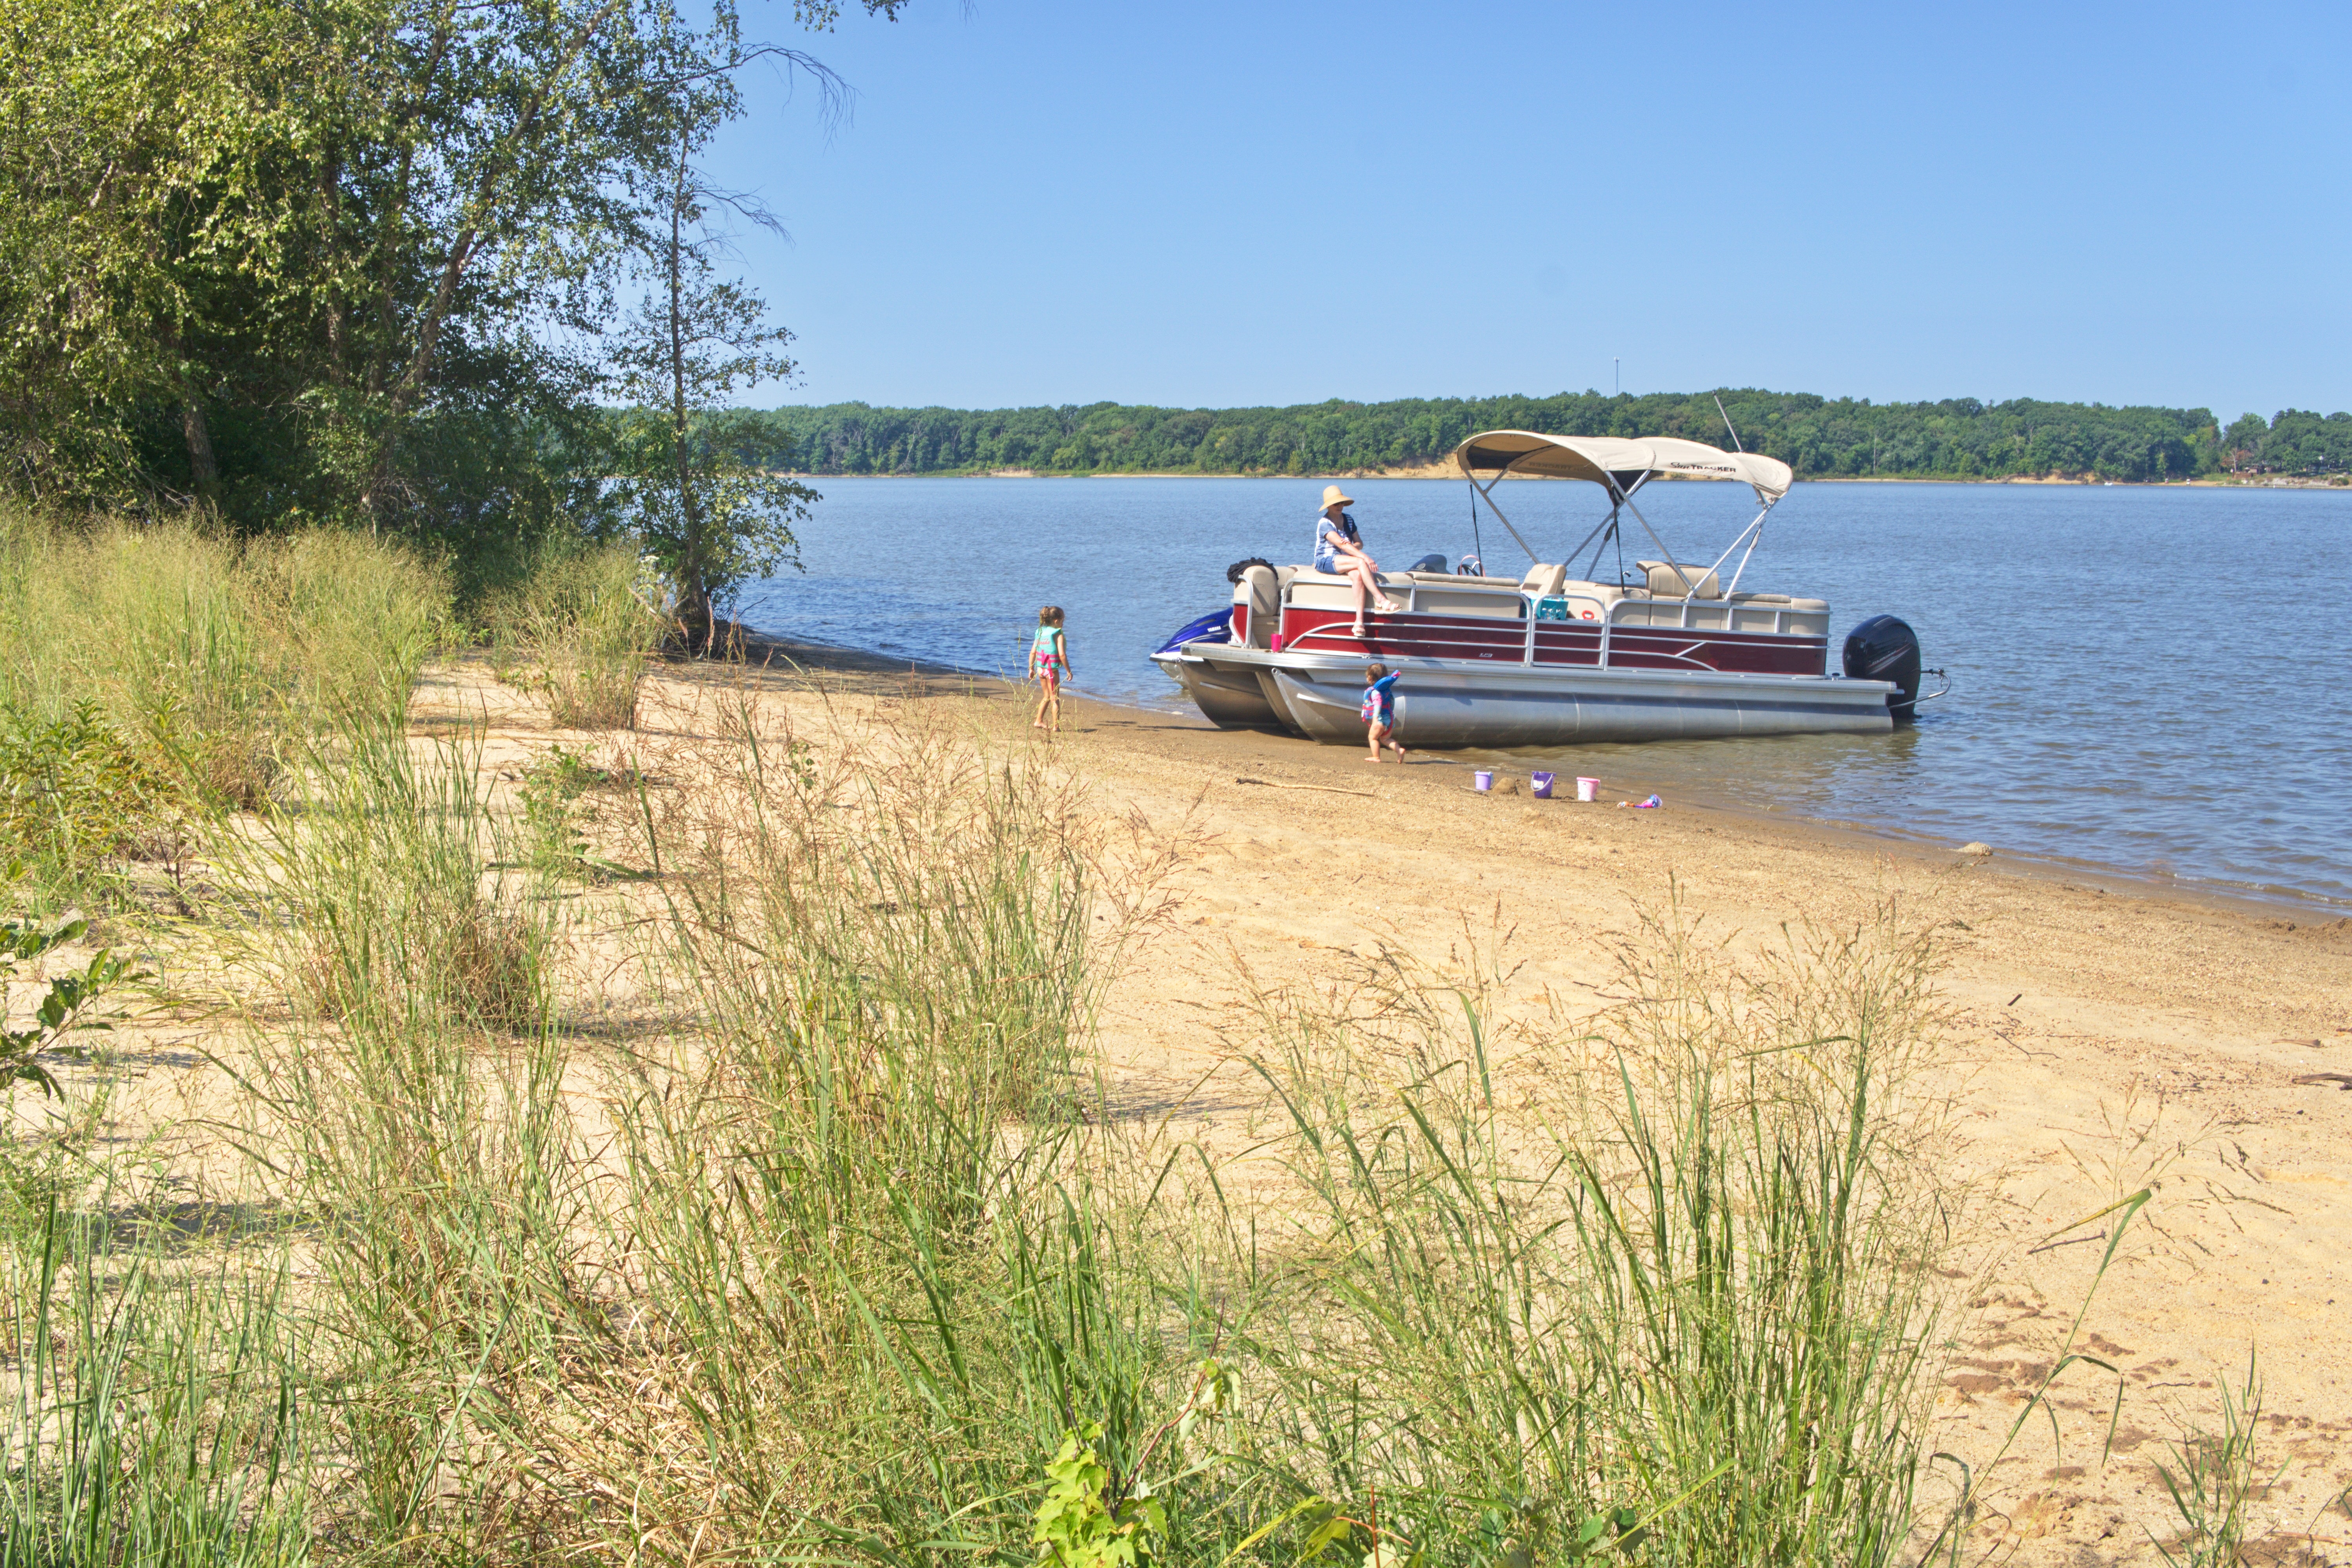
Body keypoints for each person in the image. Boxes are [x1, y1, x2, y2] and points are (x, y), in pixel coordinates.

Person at [1314, 485, 1402, 637]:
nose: (1340, 506)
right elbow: (1341, 544)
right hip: (1326, 560)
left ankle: (1359, 623)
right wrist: (1364, 557)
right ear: (1329, 506)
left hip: (1346, 559)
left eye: (1341, 503)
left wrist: (1354, 548)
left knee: (1358, 575)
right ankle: (1380, 600)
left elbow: (1359, 543)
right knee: (1361, 563)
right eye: (1336, 504)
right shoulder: (1325, 524)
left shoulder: (1348, 519)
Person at [1028, 606, 1071, 733]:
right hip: (1051, 671)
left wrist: (1031, 669)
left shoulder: (1040, 632)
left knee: (1047, 696)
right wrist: (1068, 671)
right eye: (1063, 621)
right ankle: (1056, 726)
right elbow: (1062, 655)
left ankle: (1039, 721)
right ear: (1057, 621)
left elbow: (1033, 653)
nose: (1063, 623)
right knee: (1055, 698)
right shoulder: (1057, 634)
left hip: (1041, 669)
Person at [1361, 662, 1405, 764]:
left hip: (1380, 720)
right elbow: (1392, 702)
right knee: (1386, 739)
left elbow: (1378, 705)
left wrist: (1375, 718)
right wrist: (1390, 715)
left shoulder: (1375, 692)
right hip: (1389, 719)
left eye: (1367, 676)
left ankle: (1376, 757)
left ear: (1371, 678)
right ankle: (1399, 750)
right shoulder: (1387, 691)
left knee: (1373, 738)